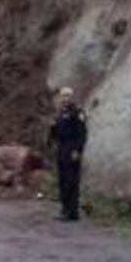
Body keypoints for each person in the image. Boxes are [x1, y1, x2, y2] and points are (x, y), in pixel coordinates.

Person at [48, 87, 88, 221]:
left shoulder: (78, 113)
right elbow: (54, 134)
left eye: (68, 96)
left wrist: (78, 150)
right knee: (63, 180)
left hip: (72, 149)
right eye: (63, 96)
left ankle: (73, 211)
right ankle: (64, 209)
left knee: (72, 181)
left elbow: (82, 134)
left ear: (72, 98)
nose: (65, 99)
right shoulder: (59, 114)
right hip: (61, 149)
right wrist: (52, 129)